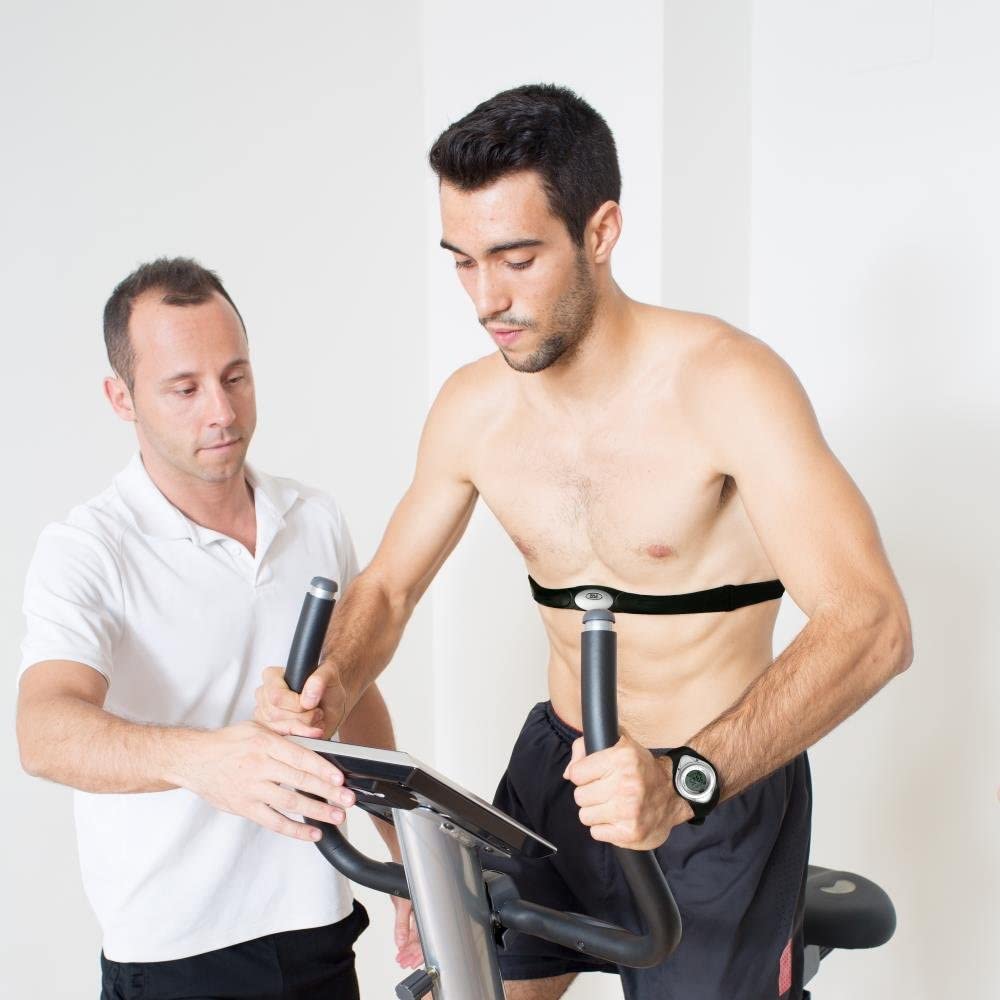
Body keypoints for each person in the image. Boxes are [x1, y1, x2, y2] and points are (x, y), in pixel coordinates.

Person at [256, 84, 912, 1000]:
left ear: (600, 232)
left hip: (709, 794)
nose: (487, 299)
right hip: (557, 772)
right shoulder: (474, 408)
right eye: (463, 263)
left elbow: (872, 624)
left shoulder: (728, 386)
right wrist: (327, 681)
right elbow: (389, 592)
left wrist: (686, 779)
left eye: (517, 259)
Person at [16, 257, 420, 1000]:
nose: (223, 412)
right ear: (121, 397)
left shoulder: (312, 517)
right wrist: (202, 761)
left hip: (318, 924)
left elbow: (353, 694)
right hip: (176, 953)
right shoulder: (87, 549)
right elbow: (42, 732)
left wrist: (406, 861)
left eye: (235, 377)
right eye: (185, 389)